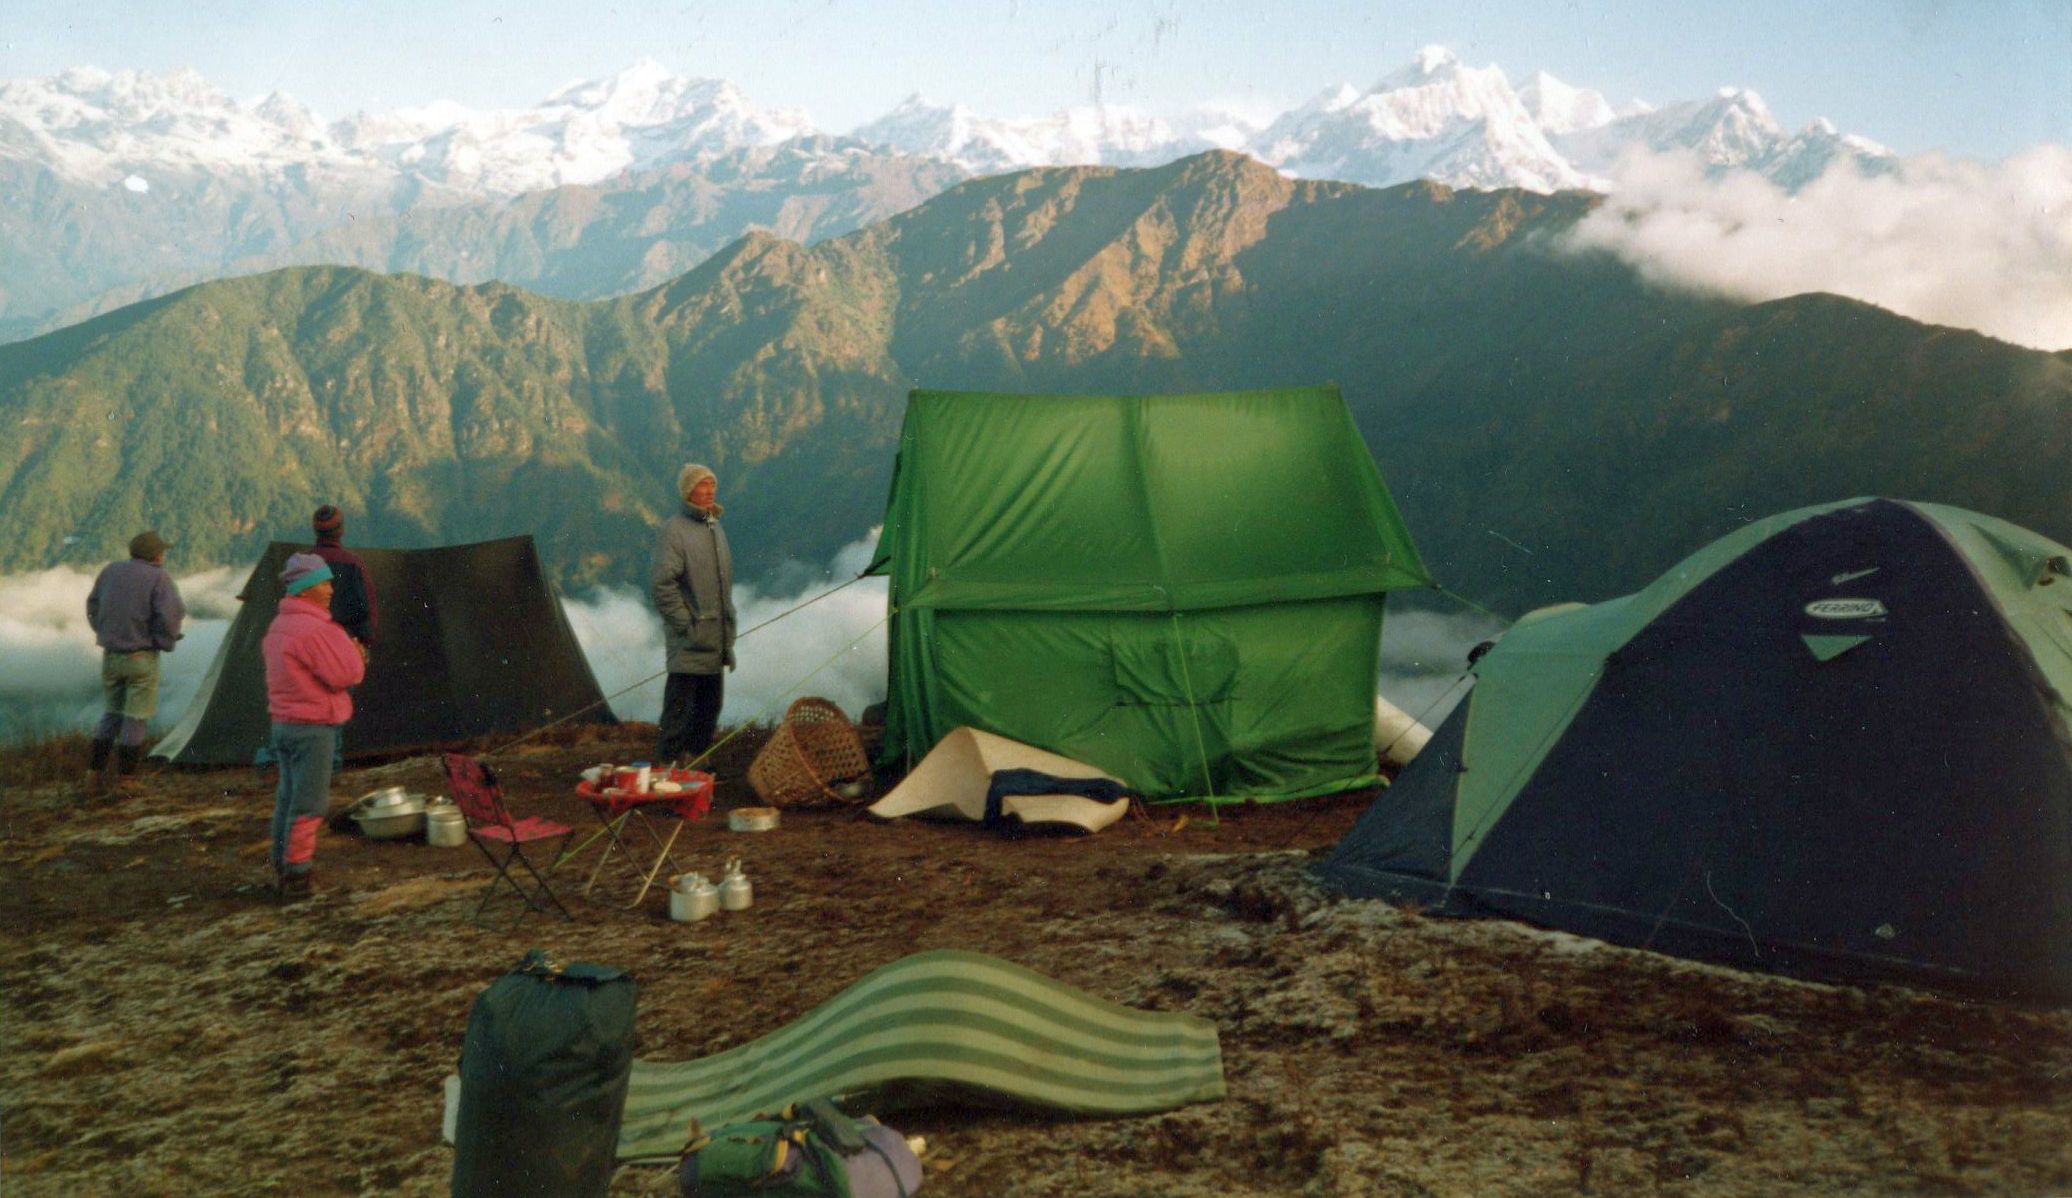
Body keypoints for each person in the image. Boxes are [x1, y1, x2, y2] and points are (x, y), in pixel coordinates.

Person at [262, 553, 366, 899]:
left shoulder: (280, 626)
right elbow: (347, 674)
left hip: (284, 725)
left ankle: (281, 865)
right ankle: (298, 876)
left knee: (288, 799)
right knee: (310, 805)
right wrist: (356, 654)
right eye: (324, 582)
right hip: (313, 728)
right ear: (306, 588)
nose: (330, 588)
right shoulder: (315, 630)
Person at [84, 530, 185, 797]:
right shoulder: (158, 577)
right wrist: (164, 641)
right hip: (141, 656)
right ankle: (126, 779)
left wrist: (104, 631)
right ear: (156, 555)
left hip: (111, 655)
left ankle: (93, 774)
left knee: (111, 714)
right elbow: (171, 615)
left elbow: (93, 605)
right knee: (135, 718)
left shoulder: (109, 571)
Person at [649, 463, 736, 764]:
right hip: (690, 641)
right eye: (703, 485)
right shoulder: (675, 531)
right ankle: (667, 768)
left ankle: (696, 765)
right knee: (679, 709)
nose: (710, 490)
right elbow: (663, 584)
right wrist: (687, 625)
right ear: (689, 491)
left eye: (712, 484)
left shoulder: (714, 525)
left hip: (714, 640)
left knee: (710, 708)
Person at [307, 503, 377, 769]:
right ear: (341, 530)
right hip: (343, 647)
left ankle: (317, 763)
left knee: (311, 706)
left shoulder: (304, 563)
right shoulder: (353, 564)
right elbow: (366, 608)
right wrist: (364, 643)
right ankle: (331, 764)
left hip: (308, 648)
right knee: (335, 706)